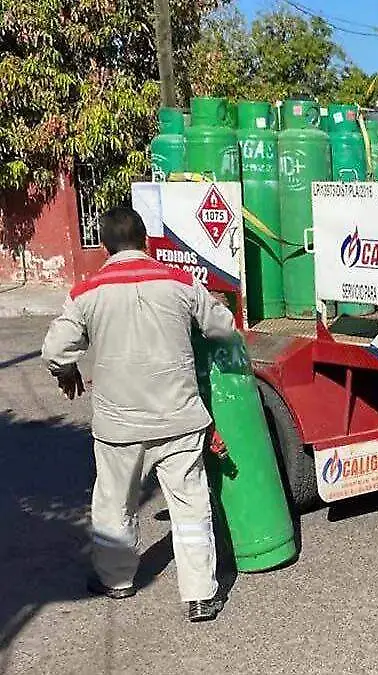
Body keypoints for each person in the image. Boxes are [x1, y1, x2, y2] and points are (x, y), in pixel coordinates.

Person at [41, 206, 236, 622]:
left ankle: (117, 581)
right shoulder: (180, 282)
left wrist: (69, 370)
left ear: (105, 246)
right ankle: (201, 595)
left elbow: (55, 352)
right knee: (189, 505)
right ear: (146, 241)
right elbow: (223, 327)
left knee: (114, 504)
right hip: (179, 421)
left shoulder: (86, 291)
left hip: (119, 427)